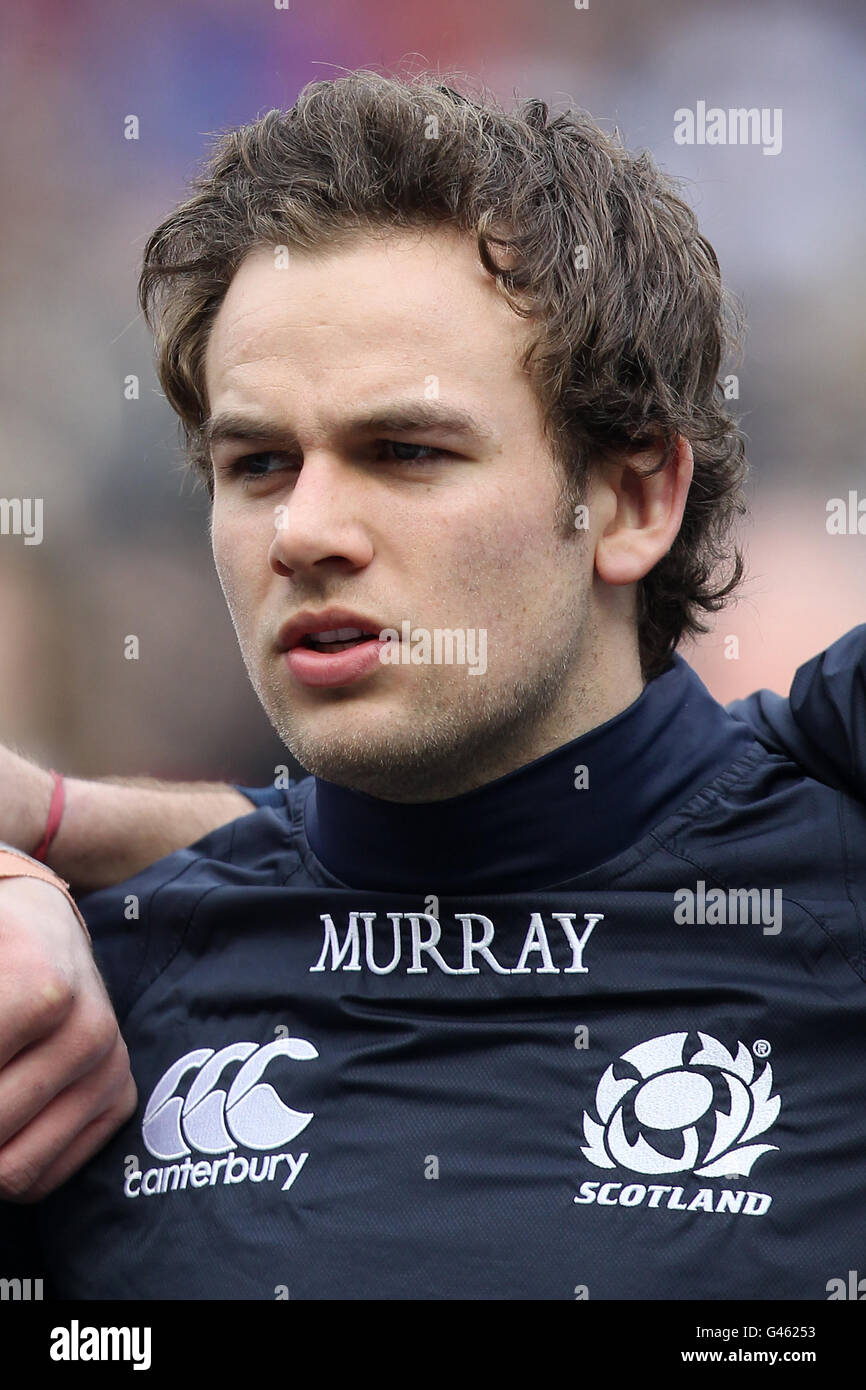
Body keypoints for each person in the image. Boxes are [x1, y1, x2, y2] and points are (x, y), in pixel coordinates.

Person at [1, 69, 864, 1300]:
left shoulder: (829, 868)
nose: (302, 530)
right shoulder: (78, 1005)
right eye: (256, 463)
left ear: (628, 499)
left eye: (403, 451)